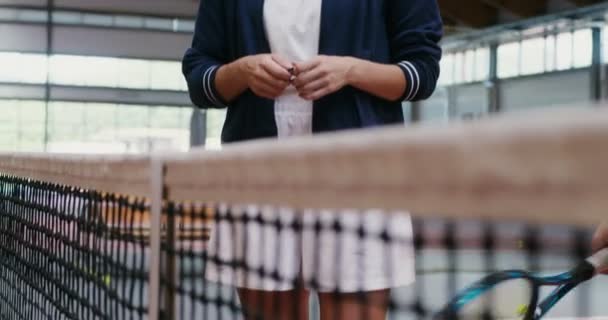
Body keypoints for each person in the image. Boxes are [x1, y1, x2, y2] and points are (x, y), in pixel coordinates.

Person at [183, 0, 442, 319]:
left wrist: (350, 71)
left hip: (357, 173)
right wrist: (242, 71)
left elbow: (422, 72)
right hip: (257, 175)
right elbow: (199, 78)